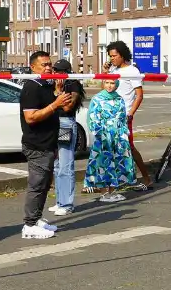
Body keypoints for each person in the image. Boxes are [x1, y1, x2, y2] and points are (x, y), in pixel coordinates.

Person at [19, 51, 73, 239]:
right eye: (44, 65)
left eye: (50, 64)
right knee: (37, 185)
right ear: (33, 67)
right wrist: (55, 104)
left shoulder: (46, 86)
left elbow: (58, 110)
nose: (49, 68)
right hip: (36, 145)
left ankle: (36, 217)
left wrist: (57, 96)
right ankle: (29, 225)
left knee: (44, 184)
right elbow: (31, 117)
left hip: (49, 144)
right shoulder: (31, 87)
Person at [107, 41, 153, 190]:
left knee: (129, 147)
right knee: (111, 148)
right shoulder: (113, 69)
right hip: (111, 114)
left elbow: (139, 96)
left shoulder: (132, 71)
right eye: (110, 56)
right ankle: (115, 182)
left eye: (114, 56)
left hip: (124, 114)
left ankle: (146, 178)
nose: (112, 59)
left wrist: (130, 113)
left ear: (122, 55)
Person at [83, 79, 136, 202]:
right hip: (103, 135)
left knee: (118, 162)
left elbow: (123, 117)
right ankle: (103, 193)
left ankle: (111, 191)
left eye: (112, 83)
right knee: (102, 162)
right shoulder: (97, 98)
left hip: (118, 135)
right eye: (107, 83)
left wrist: (124, 132)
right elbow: (92, 117)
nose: (109, 86)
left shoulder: (119, 99)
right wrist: (99, 133)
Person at [49, 59, 83, 217]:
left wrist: (58, 92)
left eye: (58, 71)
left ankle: (67, 203)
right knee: (56, 165)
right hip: (54, 123)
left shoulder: (72, 85)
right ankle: (59, 201)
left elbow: (67, 107)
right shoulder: (52, 84)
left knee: (65, 165)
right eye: (54, 70)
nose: (55, 73)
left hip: (65, 124)